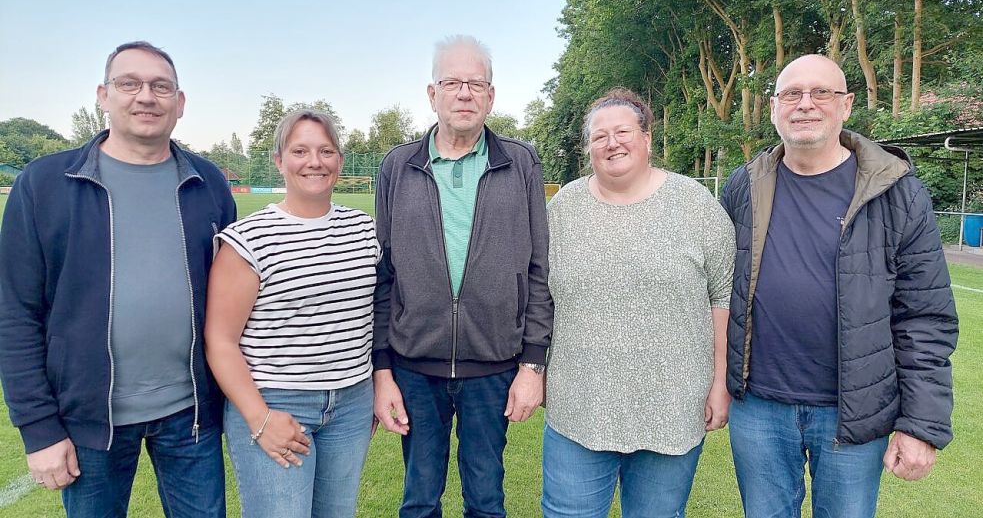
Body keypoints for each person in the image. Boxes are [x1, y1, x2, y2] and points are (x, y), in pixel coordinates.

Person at [0, 41, 234, 517]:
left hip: (191, 417)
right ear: (103, 96)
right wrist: (39, 428)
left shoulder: (208, 183)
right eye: (130, 83)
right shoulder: (45, 183)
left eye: (160, 86)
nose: (145, 96)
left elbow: (232, 300)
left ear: (180, 103)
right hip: (89, 421)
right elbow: (15, 312)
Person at [721, 54, 959, 518]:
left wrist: (921, 425)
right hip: (759, 407)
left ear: (846, 105)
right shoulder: (743, 186)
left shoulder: (896, 191)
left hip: (852, 414)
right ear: (773, 107)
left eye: (820, 93)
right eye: (792, 93)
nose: (805, 104)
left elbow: (925, 316)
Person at [372, 34, 553, 518]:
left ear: (491, 96)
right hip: (414, 367)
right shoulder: (397, 166)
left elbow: (539, 267)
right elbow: (383, 275)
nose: (465, 93)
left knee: (487, 502)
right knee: (418, 501)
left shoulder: (520, 163)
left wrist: (532, 365)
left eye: (476, 83)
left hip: (493, 367)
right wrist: (382, 370)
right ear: (432, 94)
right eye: (452, 82)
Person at [540, 88, 735, 518]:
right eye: (599, 136)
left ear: (647, 138)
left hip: (672, 406)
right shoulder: (562, 210)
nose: (612, 143)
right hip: (579, 405)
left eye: (623, 131)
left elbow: (722, 297)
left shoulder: (696, 206)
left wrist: (721, 382)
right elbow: (539, 300)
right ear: (588, 147)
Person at [204, 109, 378, 517]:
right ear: (280, 160)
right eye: (300, 150)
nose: (314, 161)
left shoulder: (364, 230)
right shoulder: (248, 239)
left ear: (339, 160)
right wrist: (259, 417)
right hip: (277, 401)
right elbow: (220, 340)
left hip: (352, 402)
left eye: (326, 151)